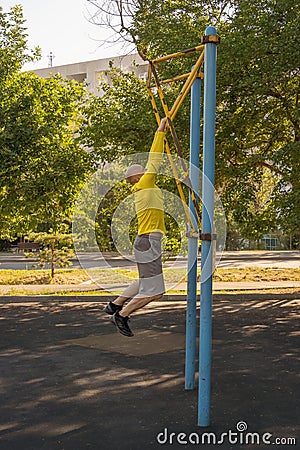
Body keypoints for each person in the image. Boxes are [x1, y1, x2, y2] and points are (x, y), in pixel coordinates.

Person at [103, 118, 168, 337]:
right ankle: (122, 315)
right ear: (139, 176)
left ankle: (115, 304)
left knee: (144, 282)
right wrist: (160, 133)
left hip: (145, 240)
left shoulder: (144, 188)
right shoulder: (145, 184)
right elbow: (155, 159)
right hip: (149, 240)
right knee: (155, 292)